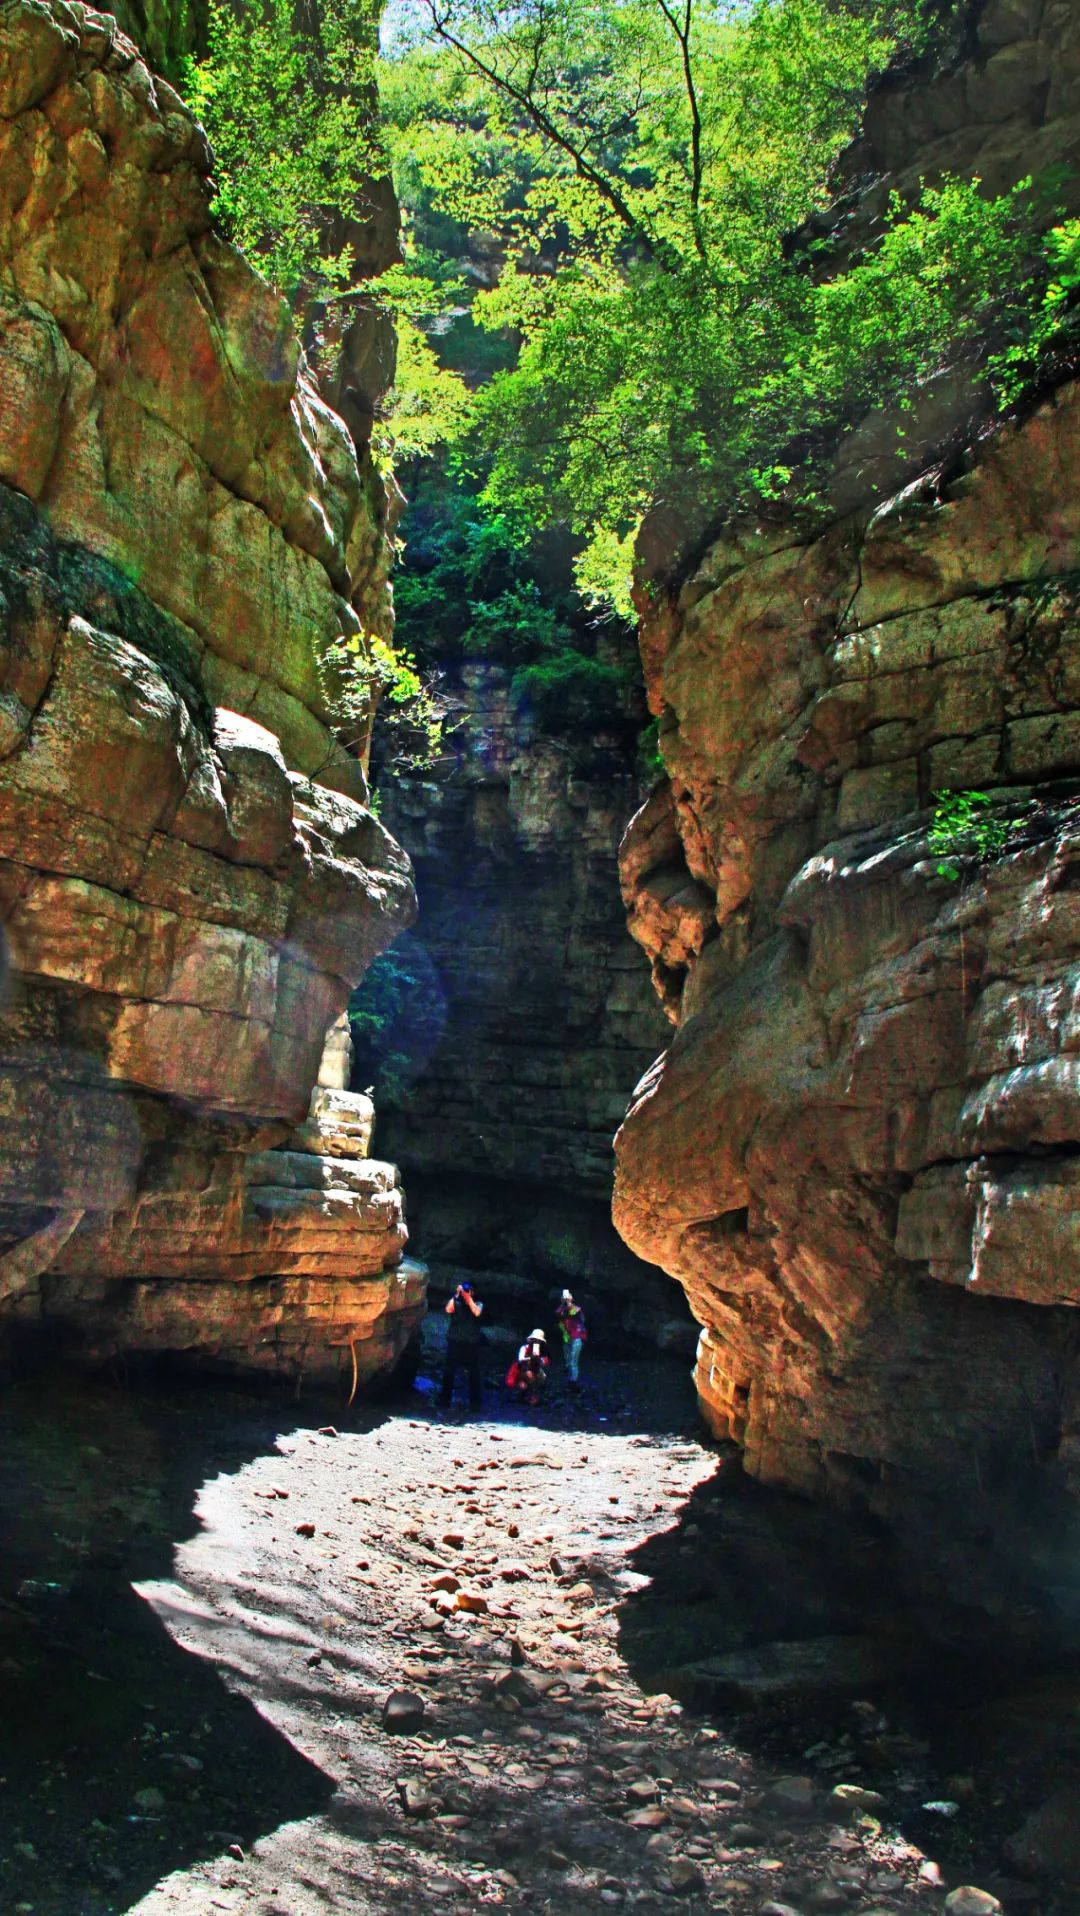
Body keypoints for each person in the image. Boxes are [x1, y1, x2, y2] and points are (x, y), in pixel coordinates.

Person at [438, 1280, 486, 1411]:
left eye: (469, 1290)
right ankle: (444, 1400)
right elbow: (448, 1309)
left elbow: (477, 1313)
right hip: (455, 1341)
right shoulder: (456, 1301)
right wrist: (456, 1295)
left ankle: (475, 1404)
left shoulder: (478, 1303)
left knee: (474, 1374)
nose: (465, 1292)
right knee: (449, 1371)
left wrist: (468, 1299)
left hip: (472, 1343)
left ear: (473, 1292)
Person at [506, 1329, 549, 1408]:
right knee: (526, 1378)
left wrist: (538, 1358)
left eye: (538, 1340)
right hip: (520, 1372)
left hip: (533, 1372)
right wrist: (531, 1357)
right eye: (534, 1340)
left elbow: (544, 1363)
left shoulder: (542, 1351)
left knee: (542, 1376)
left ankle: (532, 1394)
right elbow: (520, 1359)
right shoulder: (524, 1348)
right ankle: (520, 1394)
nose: (536, 1342)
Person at [555, 1289, 587, 1388]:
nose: (565, 1301)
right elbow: (560, 1319)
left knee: (573, 1361)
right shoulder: (560, 1310)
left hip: (576, 1338)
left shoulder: (577, 1309)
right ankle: (570, 1379)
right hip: (566, 1338)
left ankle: (573, 1382)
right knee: (568, 1361)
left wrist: (568, 1304)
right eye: (564, 1299)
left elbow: (573, 1312)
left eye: (567, 1299)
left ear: (571, 1299)